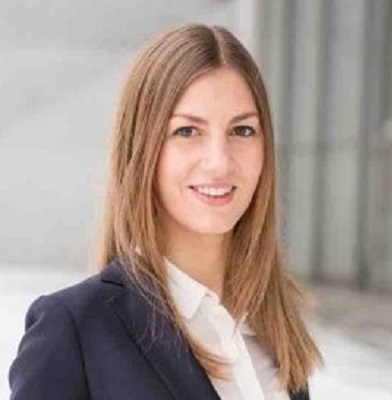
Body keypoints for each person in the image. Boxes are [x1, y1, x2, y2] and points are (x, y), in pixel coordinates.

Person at [9, 24, 322, 400]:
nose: (220, 162)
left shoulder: (273, 331)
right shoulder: (74, 329)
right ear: (141, 149)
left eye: (242, 130)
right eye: (187, 131)